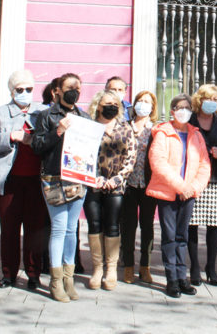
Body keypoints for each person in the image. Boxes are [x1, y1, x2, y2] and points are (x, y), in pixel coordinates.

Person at [0, 70, 48, 290]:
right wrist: (11, 136)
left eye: (28, 89)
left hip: (36, 181)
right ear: (11, 91)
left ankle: (33, 274)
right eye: (19, 89)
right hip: (9, 181)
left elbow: (51, 140)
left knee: (35, 229)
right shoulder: (0, 113)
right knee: (9, 229)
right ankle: (8, 274)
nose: (24, 93)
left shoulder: (42, 112)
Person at [32, 72, 91, 302]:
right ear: (57, 90)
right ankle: (55, 281)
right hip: (54, 178)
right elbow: (37, 146)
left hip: (77, 179)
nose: (74, 90)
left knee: (71, 229)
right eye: (69, 86)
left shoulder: (83, 116)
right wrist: (58, 131)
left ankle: (69, 277)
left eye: (78, 86)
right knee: (58, 228)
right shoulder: (47, 116)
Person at [146, 94, 211, 298]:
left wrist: (193, 188)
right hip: (168, 193)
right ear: (172, 110)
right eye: (178, 107)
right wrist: (181, 186)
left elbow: (204, 164)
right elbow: (158, 163)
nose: (183, 110)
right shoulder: (163, 133)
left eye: (187, 107)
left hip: (189, 194)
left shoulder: (196, 135)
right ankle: (171, 279)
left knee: (183, 236)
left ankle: (182, 277)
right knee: (170, 237)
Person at [84, 90, 136, 291]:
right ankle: (97, 269)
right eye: (108, 102)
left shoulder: (125, 128)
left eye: (115, 103)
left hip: (116, 185)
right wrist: (94, 177)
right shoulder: (90, 127)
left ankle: (111, 269)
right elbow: (82, 153)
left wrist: (117, 178)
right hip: (92, 184)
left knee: (113, 225)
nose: (112, 105)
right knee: (95, 225)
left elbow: (131, 157)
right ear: (98, 105)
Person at [187, 84, 217, 286]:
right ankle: (194, 267)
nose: (212, 102)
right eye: (208, 98)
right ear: (200, 99)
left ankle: (211, 267)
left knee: (213, 225)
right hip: (191, 179)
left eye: (216, 99)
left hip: (214, 180)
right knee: (191, 224)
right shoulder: (189, 121)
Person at [120, 90, 159, 284]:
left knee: (147, 226)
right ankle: (128, 266)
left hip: (148, 185)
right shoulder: (125, 127)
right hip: (127, 184)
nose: (143, 105)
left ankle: (145, 266)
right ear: (134, 104)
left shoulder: (155, 129)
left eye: (147, 102)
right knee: (128, 226)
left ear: (152, 107)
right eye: (140, 101)